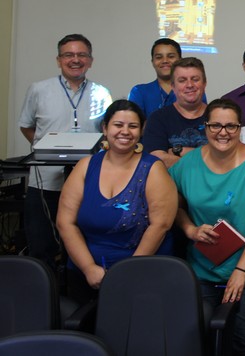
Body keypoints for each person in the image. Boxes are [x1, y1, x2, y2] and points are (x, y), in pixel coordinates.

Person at [170, 99, 245, 356]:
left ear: (240, 128)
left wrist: (241, 271)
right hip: (202, 268)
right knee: (201, 340)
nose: (223, 132)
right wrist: (189, 229)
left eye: (231, 126)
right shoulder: (187, 165)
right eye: (216, 125)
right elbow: (171, 206)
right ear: (205, 127)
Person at [56, 100, 177, 304]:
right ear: (105, 128)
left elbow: (161, 225)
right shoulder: (86, 166)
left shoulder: (153, 168)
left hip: (140, 274)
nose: (125, 132)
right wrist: (88, 268)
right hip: (86, 273)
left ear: (141, 130)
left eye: (133, 126)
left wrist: (127, 272)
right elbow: (65, 223)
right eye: (118, 125)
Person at [19, 33, 113, 272]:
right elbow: (27, 126)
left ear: (90, 60)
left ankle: (80, 302)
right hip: (45, 184)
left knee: (84, 250)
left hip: (87, 185)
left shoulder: (101, 93)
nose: (75, 60)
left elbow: (107, 134)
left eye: (82, 55)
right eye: (68, 55)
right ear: (58, 60)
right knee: (41, 248)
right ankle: (45, 302)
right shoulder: (39, 90)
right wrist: (50, 151)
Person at [142, 57, 208, 168]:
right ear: (173, 86)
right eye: (182, 80)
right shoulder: (158, 119)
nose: (189, 85)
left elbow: (225, 158)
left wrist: (177, 151)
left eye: (195, 79)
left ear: (204, 83)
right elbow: (156, 159)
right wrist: (206, 160)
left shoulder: (218, 117)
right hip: (169, 184)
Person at [128, 38, 192, 118]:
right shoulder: (139, 92)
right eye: (159, 57)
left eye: (171, 56)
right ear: (152, 62)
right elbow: (135, 125)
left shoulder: (192, 90)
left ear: (180, 60)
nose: (165, 60)